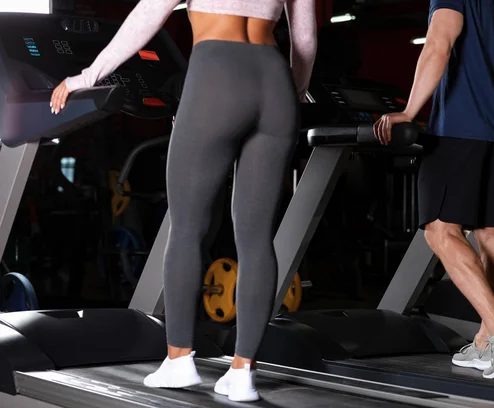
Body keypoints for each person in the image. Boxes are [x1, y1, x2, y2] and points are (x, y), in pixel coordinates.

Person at [51, 0, 317, 401]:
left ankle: (179, 362)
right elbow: (305, 40)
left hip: (217, 76)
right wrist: (290, 92)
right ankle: (243, 372)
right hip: (275, 81)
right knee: (257, 238)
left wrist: (86, 77)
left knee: (188, 228)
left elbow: (147, 17)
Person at [373, 0, 494, 379]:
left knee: (440, 231)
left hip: (456, 131)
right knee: (490, 236)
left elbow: (438, 45)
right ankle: (487, 342)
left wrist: (408, 111)